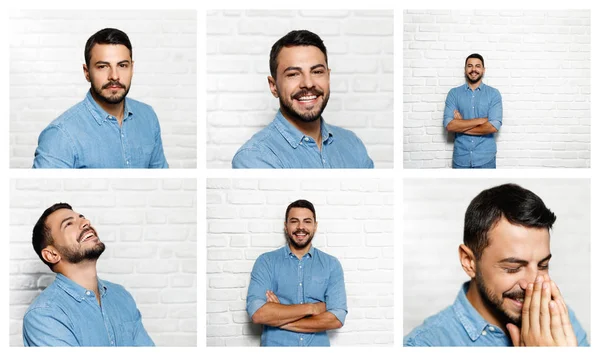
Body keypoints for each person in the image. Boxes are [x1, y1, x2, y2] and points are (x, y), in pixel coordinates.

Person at [404, 184, 588, 346]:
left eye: (543, 265)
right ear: (469, 262)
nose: (533, 283)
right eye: (513, 268)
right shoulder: (425, 345)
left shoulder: (559, 319)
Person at [232, 30, 373, 168]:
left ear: (328, 77)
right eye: (293, 74)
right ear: (274, 86)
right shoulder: (254, 157)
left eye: (317, 72)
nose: (308, 83)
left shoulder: (353, 144)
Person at [32, 28, 168, 168]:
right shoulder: (60, 135)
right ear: (87, 73)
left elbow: (163, 183)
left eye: (122, 65)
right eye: (103, 66)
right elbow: (44, 189)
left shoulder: (148, 117)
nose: (114, 76)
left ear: (132, 68)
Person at [23, 203, 154, 346]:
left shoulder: (121, 296)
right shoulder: (45, 314)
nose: (86, 222)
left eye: (82, 218)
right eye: (68, 224)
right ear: (52, 254)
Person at [246, 200, 347, 346]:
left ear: (315, 226)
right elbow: (258, 314)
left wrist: (279, 317)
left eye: (307, 221)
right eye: (294, 221)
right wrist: (312, 308)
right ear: (286, 226)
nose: (301, 227)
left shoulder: (331, 265)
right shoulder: (266, 262)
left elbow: (336, 318)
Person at [443, 53, 502, 169]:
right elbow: (449, 126)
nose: (473, 69)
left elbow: (493, 127)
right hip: (461, 159)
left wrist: (461, 124)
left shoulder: (494, 94)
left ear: (483, 70)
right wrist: (480, 120)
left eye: (477, 66)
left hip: (486, 159)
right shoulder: (454, 94)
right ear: (465, 70)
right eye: (470, 66)